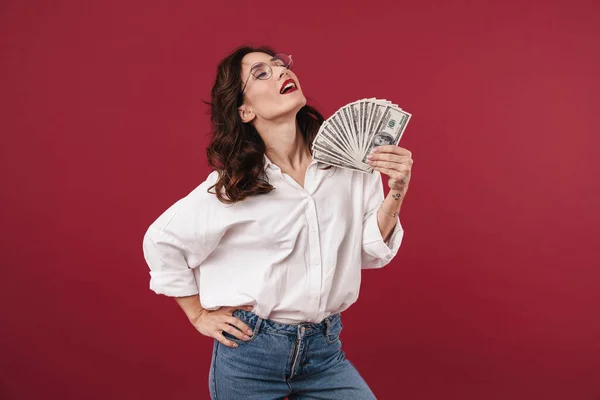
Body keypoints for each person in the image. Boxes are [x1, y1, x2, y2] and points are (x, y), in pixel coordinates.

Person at [142, 46, 414, 400]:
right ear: (244, 110)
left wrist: (396, 193)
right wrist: (197, 314)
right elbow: (162, 241)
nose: (281, 71)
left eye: (279, 65)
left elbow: (370, 252)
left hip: (324, 351)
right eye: (261, 73)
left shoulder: (351, 165)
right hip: (250, 355)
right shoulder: (234, 185)